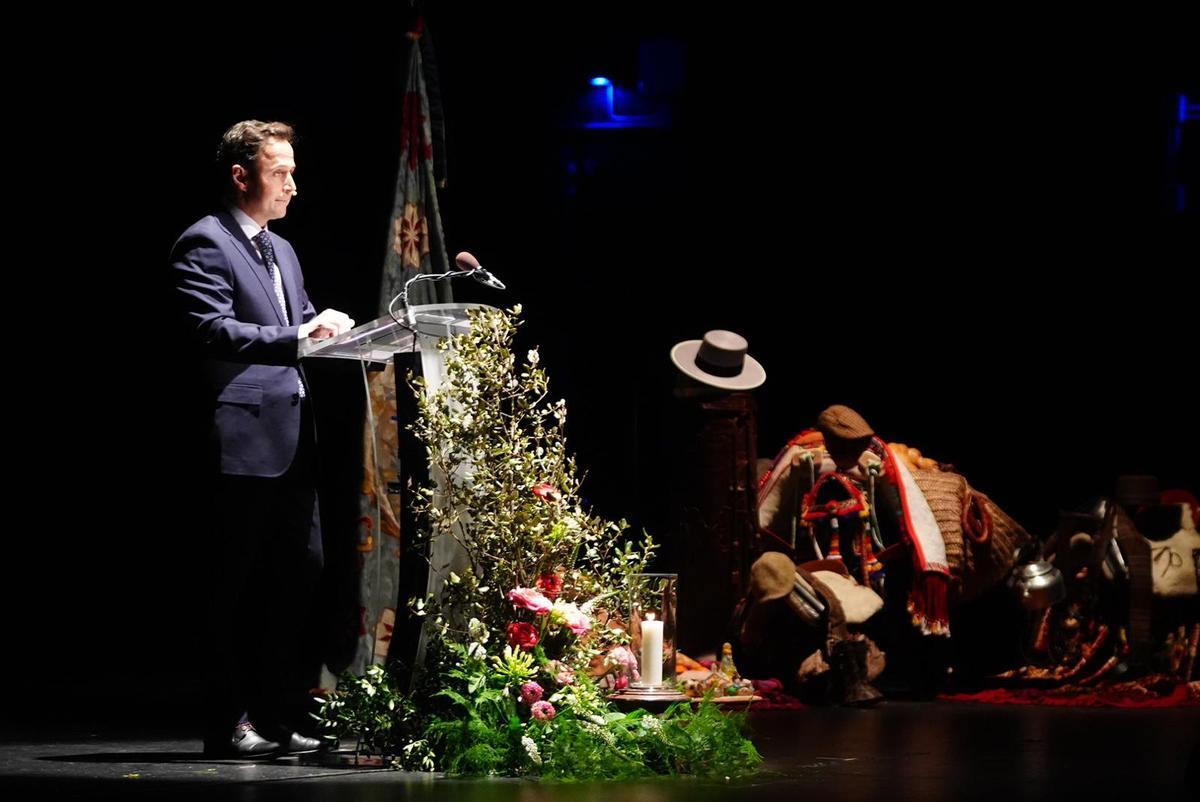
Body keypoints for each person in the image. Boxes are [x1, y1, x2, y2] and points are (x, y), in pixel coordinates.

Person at [169, 120, 354, 757]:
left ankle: (278, 716)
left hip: (293, 438)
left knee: (298, 578)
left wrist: (353, 338)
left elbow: (299, 325)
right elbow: (210, 330)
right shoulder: (205, 242)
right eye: (281, 173)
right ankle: (227, 722)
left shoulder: (283, 249)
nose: (293, 186)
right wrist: (302, 337)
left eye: (294, 172)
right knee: (235, 588)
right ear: (240, 176)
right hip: (241, 442)